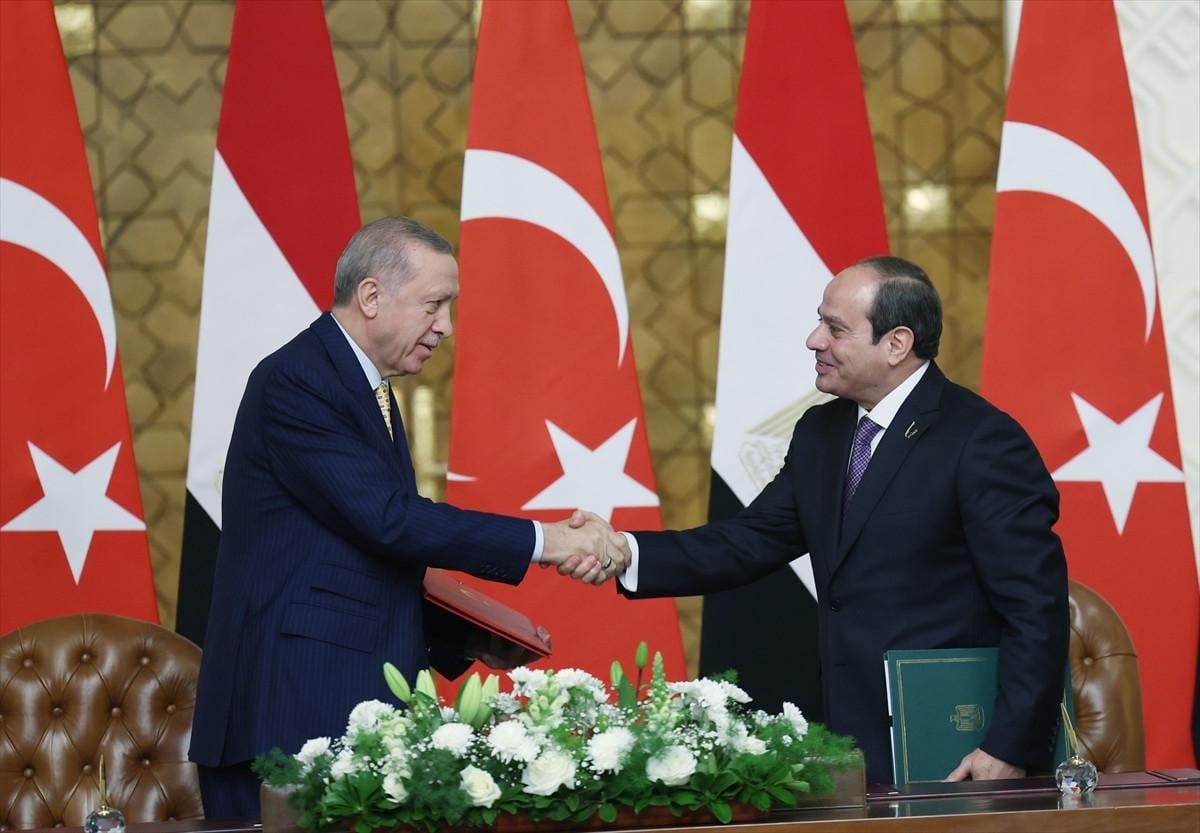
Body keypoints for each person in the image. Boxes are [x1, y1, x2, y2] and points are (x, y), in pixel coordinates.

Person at [189, 216, 626, 816]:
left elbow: (360, 559)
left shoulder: (365, 387)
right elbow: (390, 521)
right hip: (290, 708)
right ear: (371, 296)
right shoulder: (298, 380)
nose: (446, 326)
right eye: (434, 305)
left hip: (341, 704)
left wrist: (469, 637)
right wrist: (545, 540)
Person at [585, 256, 1069, 785]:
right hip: (847, 736)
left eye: (835, 329)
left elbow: (1034, 607)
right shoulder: (822, 431)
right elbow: (749, 540)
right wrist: (625, 552)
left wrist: (1008, 745)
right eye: (820, 322)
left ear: (896, 344)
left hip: (951, 739)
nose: (814, 340)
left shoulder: (981, 440)